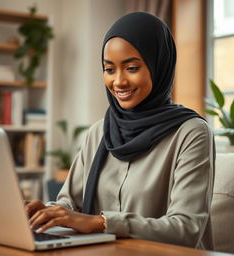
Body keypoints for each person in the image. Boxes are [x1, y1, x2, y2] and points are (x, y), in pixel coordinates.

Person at [26, 12, 215, 249]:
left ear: (159, 66)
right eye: (109, 69)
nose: (118, 81)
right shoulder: (99, 132)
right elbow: (70, 204)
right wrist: (47, 212)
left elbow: (186, 228)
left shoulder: (191, 133)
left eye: (132, 68)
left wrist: (103, 223)